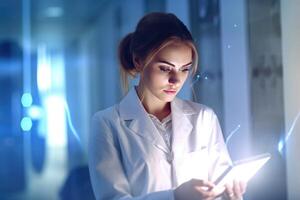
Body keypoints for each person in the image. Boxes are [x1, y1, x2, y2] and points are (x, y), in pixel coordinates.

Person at [88, 12, 246, 200]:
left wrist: (229, 193)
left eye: (184, 69)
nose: (176, 80)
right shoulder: (107, 124)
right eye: (164, 68)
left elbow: (220, 184)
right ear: (138, 61)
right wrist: (174, 196)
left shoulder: (204, 117)